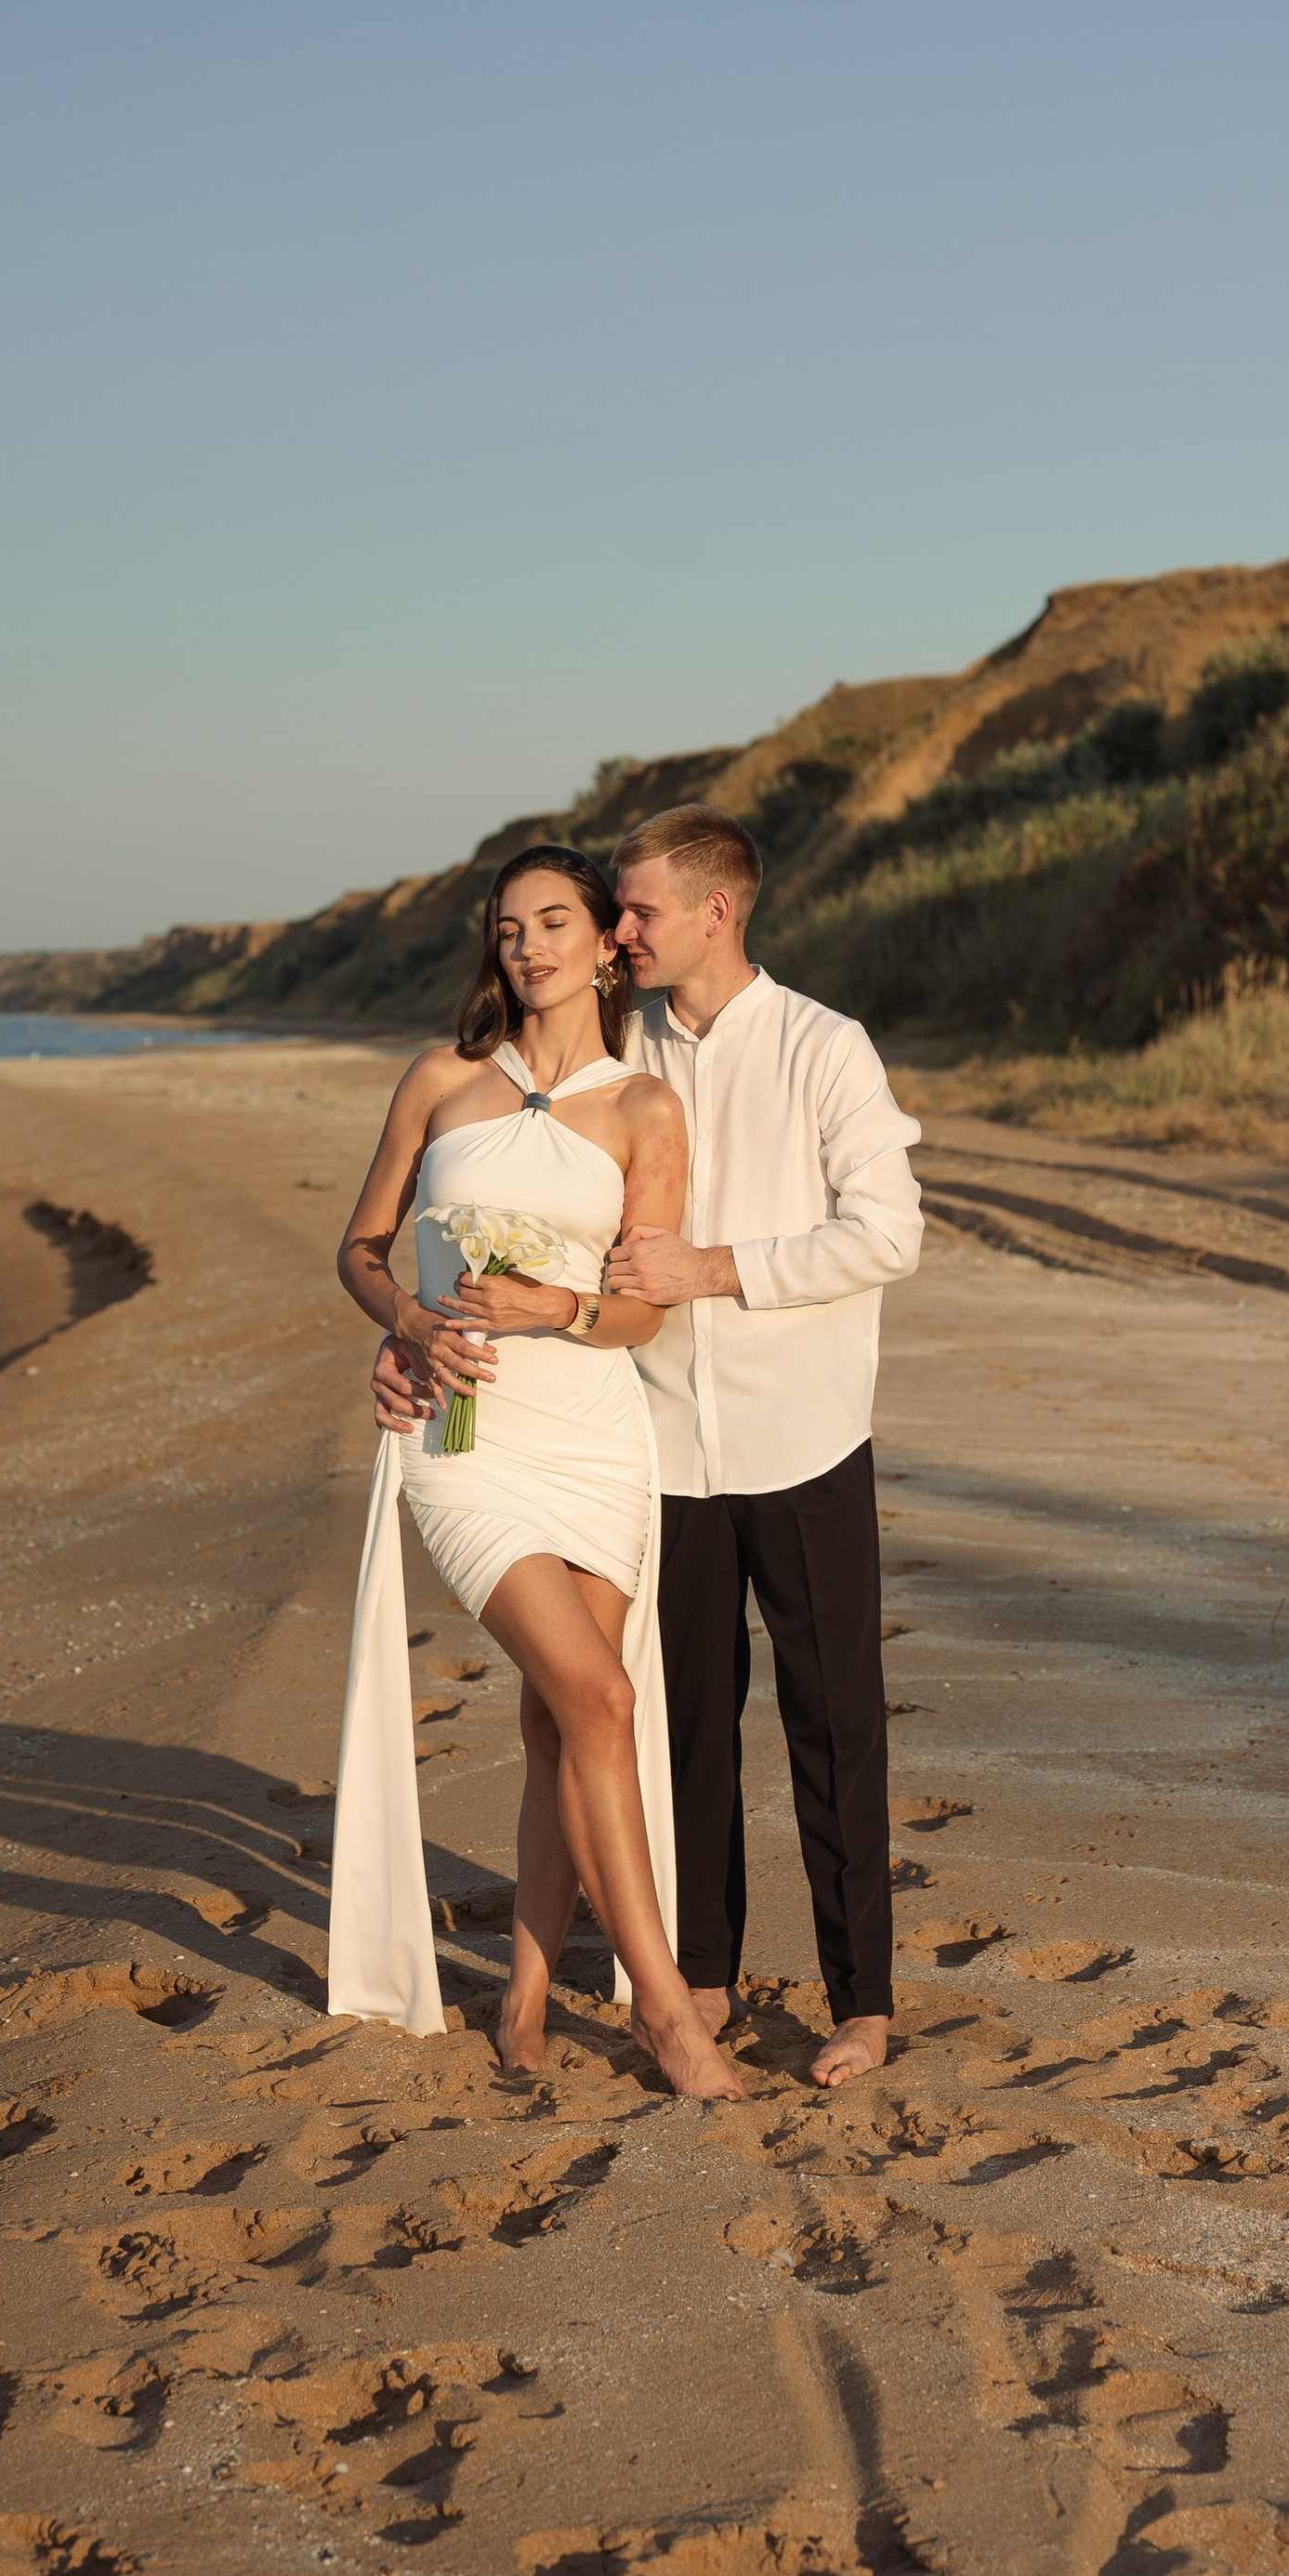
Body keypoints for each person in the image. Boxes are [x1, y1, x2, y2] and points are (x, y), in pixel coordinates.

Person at [376, 803, 922, 2092]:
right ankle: (707, 1976)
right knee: (682, 1730)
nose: (620, 934)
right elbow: (492, 1207)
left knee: (835, 1724)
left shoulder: (824, 1048)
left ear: (715, 913)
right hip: (652, 1446)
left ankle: (864, 2004)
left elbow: (888, 1231)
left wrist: (716, 1268)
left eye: (637, 912)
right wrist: (410, 1336)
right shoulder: (617, 1055)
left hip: (803, 1436)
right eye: (607, 913)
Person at [328, 842, 744, 2103]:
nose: (529, 946)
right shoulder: (442, 1081)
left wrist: (557, 1302)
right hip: (465, 1436)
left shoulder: (644, 1110)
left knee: (557, 1730)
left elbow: (640, 1317)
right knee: (602, 1702)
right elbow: (359, 1249)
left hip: (597, 1437)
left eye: (554, 921)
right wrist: (408, 1325)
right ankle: (668, 2014)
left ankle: (520, 1997)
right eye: (509, 928)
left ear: (603, 941)